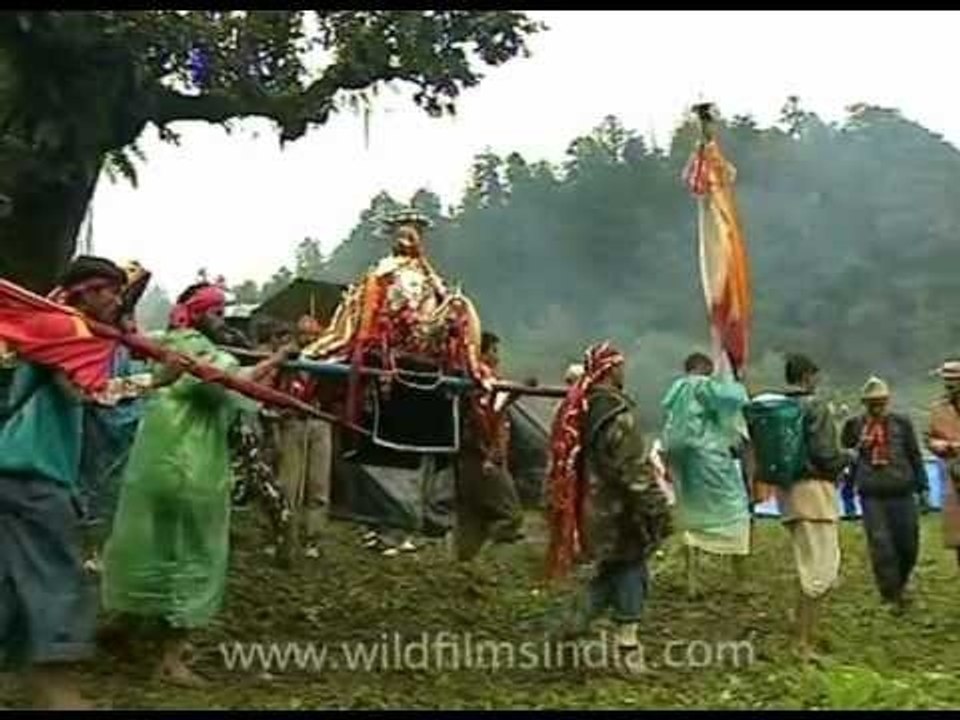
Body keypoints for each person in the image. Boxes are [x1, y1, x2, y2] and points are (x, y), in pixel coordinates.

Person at [0, 256, 179, 709]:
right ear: (89, 292)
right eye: (113, 292)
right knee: (56, 575)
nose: (118, 301)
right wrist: (154, 380)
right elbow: (85, 393)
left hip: (17, 470)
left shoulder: (54, 329)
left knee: (13, 581)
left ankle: (41, 683)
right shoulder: (66, 332)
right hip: (32, 472)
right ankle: (56, 689)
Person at [101, 282, 289, 687]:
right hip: (193, 469)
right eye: (217, 313)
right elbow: (239, 384)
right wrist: (281, 357)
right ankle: (169, 659)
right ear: (200, 314)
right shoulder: (207, 354)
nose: (223, 322)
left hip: (151, 465)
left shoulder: (163, 343)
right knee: (194, 556)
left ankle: (124, 627)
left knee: (149, 546)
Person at [546, 342, 672, 654]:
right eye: (621, 366)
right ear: (612, 369)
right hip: (619, 512)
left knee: (613, 570)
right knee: (632, 568)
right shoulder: (615, 413)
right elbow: (632, 470)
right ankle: (627, 646)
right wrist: (657, 508)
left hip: (589, 509)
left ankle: (569, 624)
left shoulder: (578, 408)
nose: (624, 372)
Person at [661, 352, 751, 599]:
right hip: (710, 459)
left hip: (684, 465)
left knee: (692, 517)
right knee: (736, 512)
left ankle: (692, 580)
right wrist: (736, 380)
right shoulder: (700, 385)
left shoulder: (676, 391)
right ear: (702, 368)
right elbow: (734, 399)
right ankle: (740, 581)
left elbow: (668, 432)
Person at [779, 353, 850, 662]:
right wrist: (848, 457)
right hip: (815, 494)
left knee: (808, 567)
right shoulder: (815, 407)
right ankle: (802, 645)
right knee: (820, 572)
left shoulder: (778, 408)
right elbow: (824, 454)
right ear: (808, 376)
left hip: (789, 494)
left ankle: (804, 631)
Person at [840, 377, 927, 613]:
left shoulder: (902, 423)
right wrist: (847, 494)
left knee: (908, 543)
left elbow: (915, 454)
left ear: (887, 401)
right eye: (872, 403)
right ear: (864, 403)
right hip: (871, 493)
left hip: (902, 490)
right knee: (881, 545)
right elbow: (846, 460)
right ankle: (890, 595)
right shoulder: (854, 426)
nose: (877, 407)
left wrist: (923, 488)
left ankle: (903, 582)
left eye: (880, 402)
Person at [453, 331, 525, 562]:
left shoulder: (475, 378)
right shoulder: (481, 379)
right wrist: (490, 457)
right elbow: (487, 415)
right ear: (483, 353)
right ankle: (488, 562)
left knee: (474, 518)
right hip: (483, 458)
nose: (498, 357)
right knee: (510, 515)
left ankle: (464, 567)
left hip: (470, 459)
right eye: (494, 351)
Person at [271, 315, 333, 564]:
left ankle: (313, 538)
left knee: (318, 484)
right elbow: (272, 388)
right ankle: (284, 535)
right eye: (304, 334)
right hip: (292, 422)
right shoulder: (286, 359)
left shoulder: (331, 360)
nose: (309, 339)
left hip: (320, 421)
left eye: (314, 335)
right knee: (288, 483)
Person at [924, 359, 960, 571]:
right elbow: (929, 438)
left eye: (954, 381)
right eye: (947, 381)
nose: (950, 386)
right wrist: (942, 445)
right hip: (953, 476)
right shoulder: (938, 409)